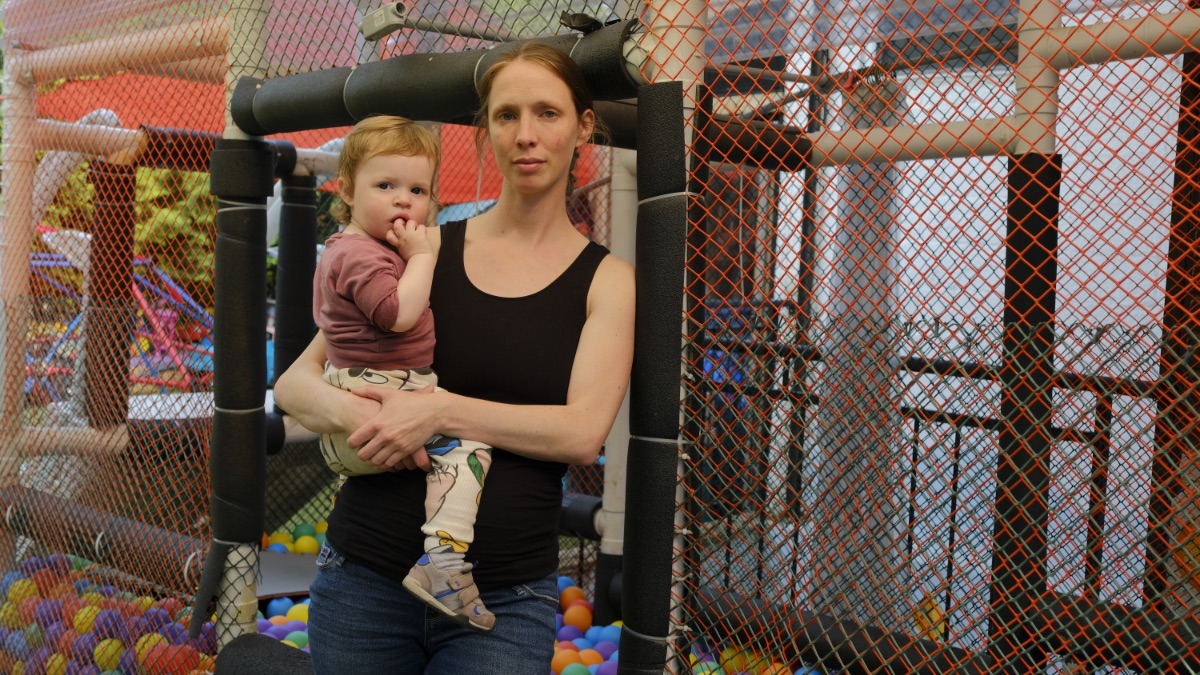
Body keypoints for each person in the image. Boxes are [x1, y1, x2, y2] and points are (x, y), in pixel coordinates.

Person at [273, 41, 635, 675]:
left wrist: (435, 411)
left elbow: (581, 433)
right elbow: (295, 385)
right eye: (506, 115)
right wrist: (363, 410)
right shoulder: (421, 248)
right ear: (484, 130)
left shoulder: (607, 280)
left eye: (547, 114)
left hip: (502, 599)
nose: (525, 135)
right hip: (365, 578)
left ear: (583, 126)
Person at [312, 115, 497, 632]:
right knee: (468, 451)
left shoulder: (356, 249)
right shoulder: (359, 255)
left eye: (417, 189)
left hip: (373, 389)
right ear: (347, 190)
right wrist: (422, 257)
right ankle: (442, 566)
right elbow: (398, 314)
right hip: (381, 390)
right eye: (385, 186)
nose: (403, 201)